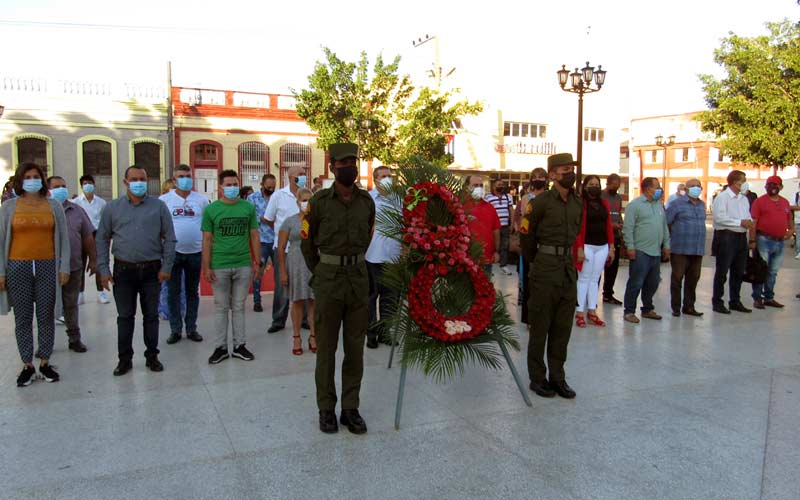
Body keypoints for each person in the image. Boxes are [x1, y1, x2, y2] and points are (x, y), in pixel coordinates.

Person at [301, 143, 375, 435]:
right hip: (329, 279)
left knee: (355, 349)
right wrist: (320, 270)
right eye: (342, 163)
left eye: (352, 162)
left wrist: (352, 261)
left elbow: (368, 234)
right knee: (327, 350)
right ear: (332, 167)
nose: (348, 167)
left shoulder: (366, 201)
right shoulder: (319, 202)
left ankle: (350, 408)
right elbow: (307, 242)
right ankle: (326, 409)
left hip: (358, 278)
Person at [97, 165, 176, 376]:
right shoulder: (112, 208)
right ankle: (124, 360)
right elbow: (102, 239)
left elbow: (170, 238)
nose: (139, 183)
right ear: (125, 182)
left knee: (151, 317)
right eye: (134, 179)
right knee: (125, 317)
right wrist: (103, 270)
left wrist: (166, 266)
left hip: (152, 271)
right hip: (123, 272)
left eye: (142, 179)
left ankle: (152, 356)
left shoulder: (159, 207)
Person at [0, 163, 70, 387]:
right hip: (17, 267)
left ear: (42, 180)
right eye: (28, 176)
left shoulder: (53, 206)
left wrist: (64, 267)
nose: (32, 180)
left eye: (36, 176)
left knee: (46, 315)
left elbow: (64, 239)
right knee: (22, 318)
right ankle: (27, 365)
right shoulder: (9, 207)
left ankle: (45, 362)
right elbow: (1, 241)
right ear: (20, 181)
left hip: (47, 267)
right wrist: (1, 271)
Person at [519, 153, 582, 400]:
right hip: (545, 269)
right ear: (553, 174)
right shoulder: (541, 202)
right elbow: (526, 236)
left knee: (562, 328)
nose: (570, 174)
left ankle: (558, 377)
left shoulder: (577, 202)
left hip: (567, 270)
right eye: (565, 170)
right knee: (540, 328)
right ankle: (537, 378)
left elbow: (575, 233)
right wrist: (537, 262)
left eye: (571, 169)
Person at [202, 170, 260, 364]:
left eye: (235, 184)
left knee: (239, 306)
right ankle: (220, 347)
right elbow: (207, 239)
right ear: (220, 187)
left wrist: (257, 261)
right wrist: (207, 266)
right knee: (221, 307)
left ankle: (239, 345)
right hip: (219, 265)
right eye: (228, 185)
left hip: (243, 264)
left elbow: (254, 235)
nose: (232, 188)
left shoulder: (248, 208)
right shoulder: (211, 210)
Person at [161, 165, 209, 344]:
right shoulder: (164, 200)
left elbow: (207, 228)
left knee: (192, 293)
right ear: (174, 180)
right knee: (173, 293)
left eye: (188, 176)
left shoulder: (201, 200)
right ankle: (175, 330)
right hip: (172, 253)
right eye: (181, 176)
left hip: (195, 253)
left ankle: (191, 328)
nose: (185, 179)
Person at [48, 175, 96, 352]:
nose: (61, 189)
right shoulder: (43, 209)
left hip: (73, 266)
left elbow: (88, 236)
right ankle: (46, 343)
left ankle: (74, 338)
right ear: (48, 189)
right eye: (56, 186)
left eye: (64, 186)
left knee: (71, 304)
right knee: (47, 306)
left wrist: (93, 259)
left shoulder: (76, 210)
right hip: (47, 267)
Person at [264, 164, 309, 333]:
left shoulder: (308, 195)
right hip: (282, 248)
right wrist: (281, 231)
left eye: (304, 174)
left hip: (303, 248)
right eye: (299, 174)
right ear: (290, 177)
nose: (303, 176)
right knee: (282, 284)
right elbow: (268, 218)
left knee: (304, 282)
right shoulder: (278, 196)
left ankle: (304, 319)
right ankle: (278, 320)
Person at [622, 177, 670, 324]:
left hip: (655, 251)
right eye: (657, 187)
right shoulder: (635, 205)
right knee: (636, 282)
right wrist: (630, 247)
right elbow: (628, 228)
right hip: (640, 250)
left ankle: (647, 308)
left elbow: (664, 227)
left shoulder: (659, 205)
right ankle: (629, 311)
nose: (660, 189)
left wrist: (666, 245)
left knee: (653, 282)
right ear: (648, 188)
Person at [365, 166, 402, 349]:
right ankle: (371, 333)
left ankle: (385, 333)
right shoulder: (367, 199)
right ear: (376, 179)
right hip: (372, 256)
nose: (388, 179)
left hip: (394, 258)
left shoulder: (400, 200)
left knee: (390, 299)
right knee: (370, 298)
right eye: (384, 176)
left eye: (390, 176)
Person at [278, 188, 317, 355]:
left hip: (314, 263)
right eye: (304, 199)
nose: (306, 203)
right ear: (297, 202)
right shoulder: (289, 222)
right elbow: (280, 247)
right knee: (298, 301)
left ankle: (314, 335)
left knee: (314, 301)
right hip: (295, 263)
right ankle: (296, 337)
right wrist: (283, 272)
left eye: (309, 200)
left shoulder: (318, 221)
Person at [573, 175, 614, 328]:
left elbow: (608, 225)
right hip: (586, 245)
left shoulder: (604, 203)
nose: (594, 186)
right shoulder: (580, 204)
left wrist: (611, 246)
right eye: (591, 184)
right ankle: (579, 312)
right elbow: (577, 228)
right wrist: (579, 248)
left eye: (597, 184)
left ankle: (592, 311)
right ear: (585, 186)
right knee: (583, 279)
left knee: (595, 279)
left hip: (602, 246)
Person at [711, 170, 754, 315]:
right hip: (726, 236)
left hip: (741, 237)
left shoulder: (743, 199)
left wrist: (748, 222)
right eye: (743, 179)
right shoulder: (722, 198)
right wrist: (739, 222)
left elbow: (747, 215)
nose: (745, 182)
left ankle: (735, 300)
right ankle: (717, 301)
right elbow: (719, 218)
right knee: (722, 271)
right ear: (736, 182)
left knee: (738, 271)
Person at [750, 175, 792, 309]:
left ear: (780, 187)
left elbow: (789, 218)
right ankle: (757, 298)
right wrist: (752, 240)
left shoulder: (785, 202)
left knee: (773, 271)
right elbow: (753, 222)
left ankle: (769, 297)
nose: (772, 187)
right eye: (769, 185)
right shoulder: (759, 202)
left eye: (775, 185)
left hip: (779, 241)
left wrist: (791, 231)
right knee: (761, 269)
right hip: (763, 239)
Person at [665, 178, 706, 317]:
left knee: (693, 278)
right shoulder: (676, 204)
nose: (696, 188)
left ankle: (689, 306)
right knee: (677, 278)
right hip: (680, 248)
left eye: (698, 186)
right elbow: (667, 222)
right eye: (692, 186)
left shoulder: (702, 205)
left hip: (697, 248)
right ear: (686, 189)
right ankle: (676, 307)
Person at [514, 168, 548, 324]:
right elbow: (523, 223)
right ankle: (528, 318)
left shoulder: (550, 198)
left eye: (542, 177)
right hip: (530, 244)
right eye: (536, 177)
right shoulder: (526, 199)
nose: (539, 179)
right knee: (528, 281)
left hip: (547, 245)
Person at [73, 174, 109, 305]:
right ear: (81, 186)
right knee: (80, 264)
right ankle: (80, 293)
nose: (87, 185)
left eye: (90, 183)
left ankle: (101, 293)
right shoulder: (76, 202)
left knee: (99, 264)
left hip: (96, 234)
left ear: (94, 184)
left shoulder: (101, 202)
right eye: (85, 183)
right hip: (81, 235)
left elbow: (104, 220)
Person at [247, 173, 277, 312]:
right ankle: (257, 301)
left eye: (273, 187)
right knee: (259, 270)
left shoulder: (277, 197)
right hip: (261, 240)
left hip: (277, 240)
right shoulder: (252, 199)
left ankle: (280, 301)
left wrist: (269, 219)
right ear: (262, 185)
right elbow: (249, 218)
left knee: (280, 271)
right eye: (268, 187)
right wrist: (263, 219)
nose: (271, 189)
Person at [157, 179, 183, 321]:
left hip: (183, 250)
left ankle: (180, 309)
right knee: (166, 282)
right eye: (171, 189)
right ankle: (165, 310)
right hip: (166, 249)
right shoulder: (162, 203)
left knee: (182, 284)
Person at [465, 175, 501, 276]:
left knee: (484, 289)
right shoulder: (460, 206)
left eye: (481, 185)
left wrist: (496, 252)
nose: (479, 188)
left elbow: (496, 231)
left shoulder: (490, 207)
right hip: (465, 259)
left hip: (486, 259)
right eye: (475, 185)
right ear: (467, 187)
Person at [601, 174, 624, 305]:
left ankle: (608, 294)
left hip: (615, 237)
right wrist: (610, 225)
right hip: (601, 237)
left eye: (618, 185)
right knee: (597, 267)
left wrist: (620, 225)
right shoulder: (600, 197)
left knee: (613, 267)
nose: (616, 187)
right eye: (614, 185)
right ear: (608, 183)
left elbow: (618, 214)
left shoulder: (618, 198)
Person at [484, 179, 514, 275]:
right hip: (492, 227)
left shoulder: (508, 196)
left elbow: (511, 210)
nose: (501, 186)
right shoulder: (488, 197)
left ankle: (504, 265)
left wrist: (512, 224)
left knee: (504, 246)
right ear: (493, 187)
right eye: (498, 184)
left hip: (505, 225)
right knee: (491, 246)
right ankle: (490, 266)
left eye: (502, 184)